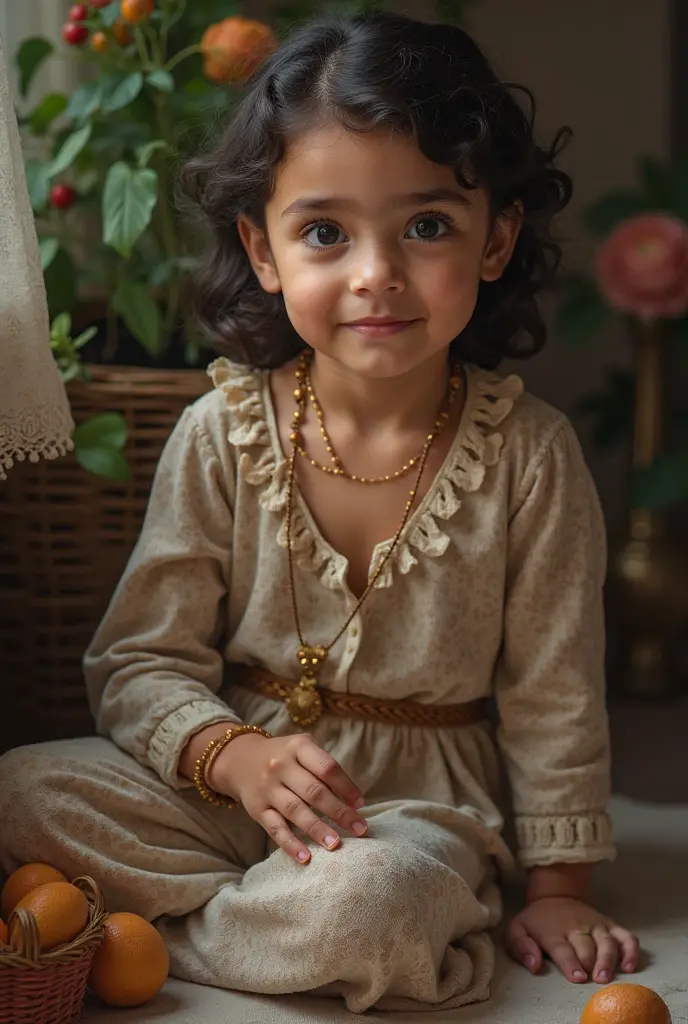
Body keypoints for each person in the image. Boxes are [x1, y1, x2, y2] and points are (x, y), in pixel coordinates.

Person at [0, 11, 639, 1014]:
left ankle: (204, 932)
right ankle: (274, 922)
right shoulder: (219, 431)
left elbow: (556, 695)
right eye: (325, 232)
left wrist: (558, 888)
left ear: (495, 238)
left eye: (425, 225)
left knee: (373, 899)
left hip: (413, 814)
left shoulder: (531, 458)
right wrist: (234, 756)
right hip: (225, 787)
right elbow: (137, 661)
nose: (374, 272)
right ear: (262, 247)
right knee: (22, 787)